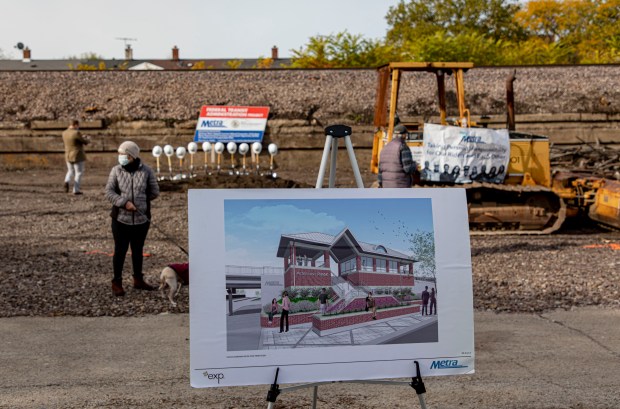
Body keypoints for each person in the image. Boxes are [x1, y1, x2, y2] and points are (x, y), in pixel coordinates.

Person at [105, 141, 160, 297]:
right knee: (120, 251)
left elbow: (155, 191)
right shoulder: (115, 171)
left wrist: (140, 201)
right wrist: (124, 203)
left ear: (132, 156)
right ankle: (117, 282)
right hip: (120, 220)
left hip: (141, 220)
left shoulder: (147, 171)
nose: (120, 157)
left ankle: (138, 280)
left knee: (138, 250)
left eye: (123, 154)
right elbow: (109, 192)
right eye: (120, 154)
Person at [62, 119, 90, 195]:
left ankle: (66, 181)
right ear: (75, 125)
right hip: (77, 155)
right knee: (79, 172)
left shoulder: (64, 133)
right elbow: (84, 142)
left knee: (70, 171)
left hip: (67, 155)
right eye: (78, 125)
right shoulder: (76, 133)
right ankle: (76, 190)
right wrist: (87, 139)